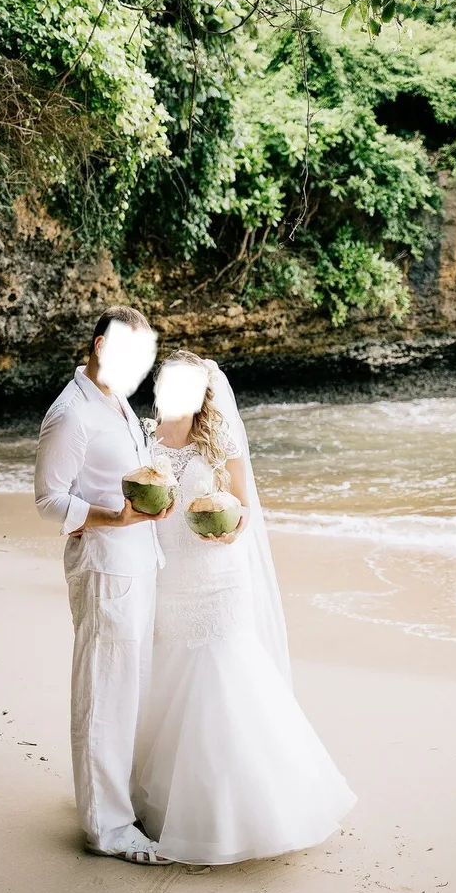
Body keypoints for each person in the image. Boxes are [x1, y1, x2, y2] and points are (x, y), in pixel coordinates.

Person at [134, 350, 356, 865]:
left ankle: (246, 815)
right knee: (170, 686)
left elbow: (243, 506)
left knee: (224, 684)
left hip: (216, 577)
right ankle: (170, 808)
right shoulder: (144, 440)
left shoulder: (220, 440)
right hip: (168, 580)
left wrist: (230, 531)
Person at [34, 306, 175, 865]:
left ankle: (115, 803)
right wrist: (112, 518)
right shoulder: (70, 413)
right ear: (98, 345)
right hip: (103, 566)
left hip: (139, 561)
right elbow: (48, 501)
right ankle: (106, 828)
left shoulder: (115, 401)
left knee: (131, 689)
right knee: (104, 695)